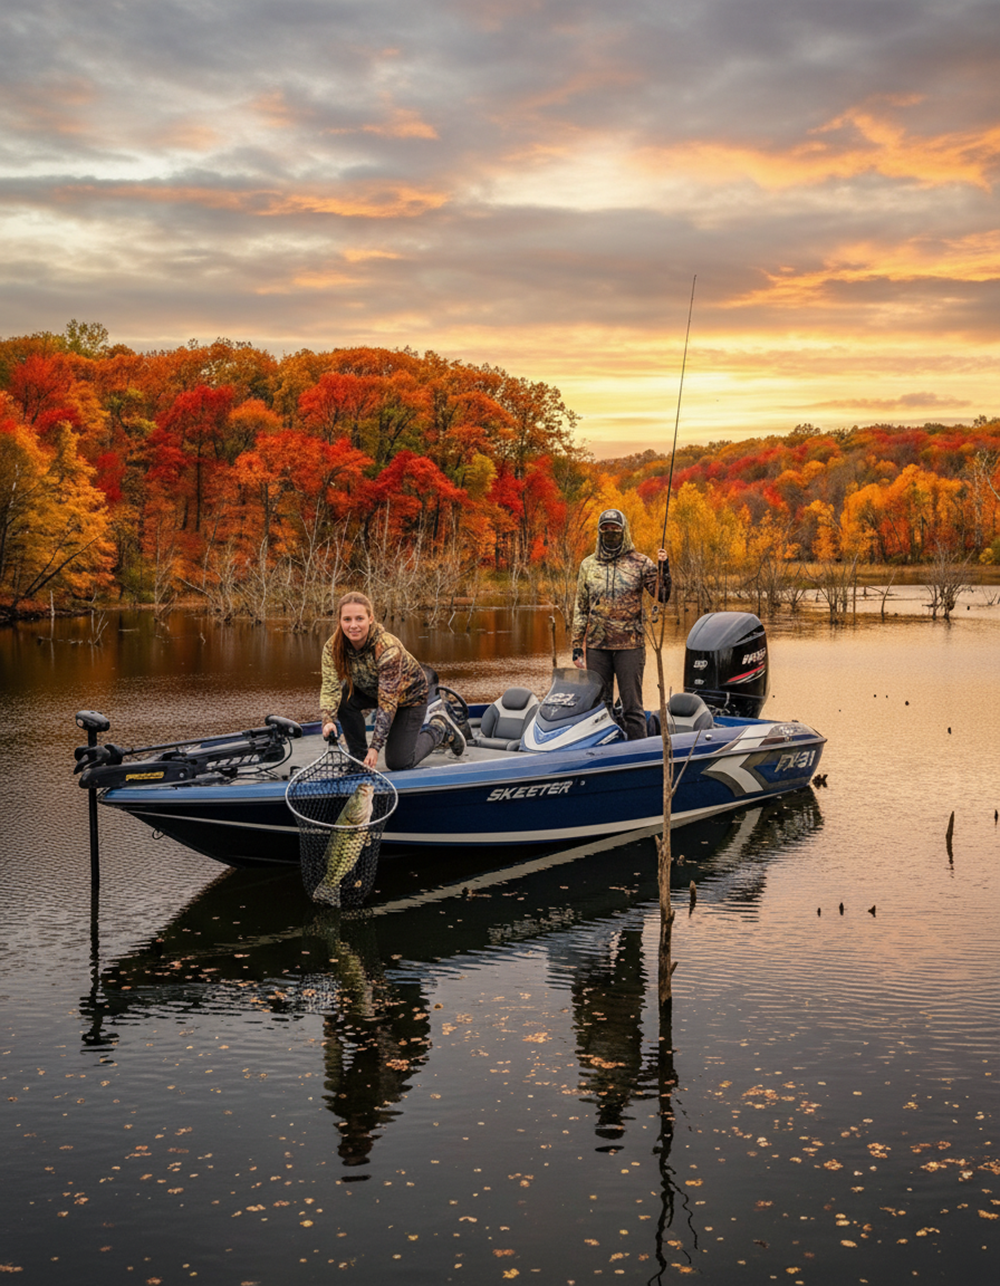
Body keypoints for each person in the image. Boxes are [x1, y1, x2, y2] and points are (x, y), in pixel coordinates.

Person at [320, 592, 465, 769]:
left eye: (359, 619)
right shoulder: (332, 647)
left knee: (398, 762)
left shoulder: (387, 647)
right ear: (339, 621)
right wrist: (327, 720)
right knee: (343, 698)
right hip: (372, 691)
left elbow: (388, 702)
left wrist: (375, 747)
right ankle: (358, 759)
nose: (353, 626)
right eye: (347, 619)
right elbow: (330, 686)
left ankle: (440, 729)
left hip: (410, 698)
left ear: (370, 618)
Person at [570, 508, 670, 740]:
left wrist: (664, 567)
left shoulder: (641, 563)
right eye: (605, 529)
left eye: (615, 529)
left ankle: (639, 756)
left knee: (632, 707)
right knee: (598, 708)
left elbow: (662, 594)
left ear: (623, 531)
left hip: (630, 647)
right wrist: (577, 645)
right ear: (599, 532)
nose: (610, 533)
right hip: (597, 647)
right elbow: (581, 608)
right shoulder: (588, 565)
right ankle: (603, 753)